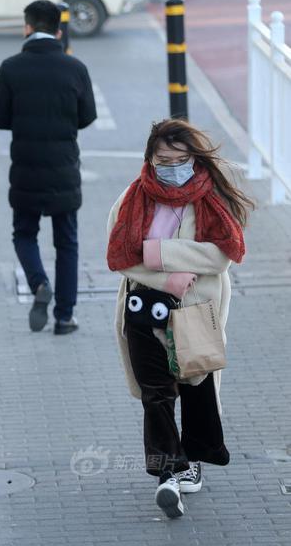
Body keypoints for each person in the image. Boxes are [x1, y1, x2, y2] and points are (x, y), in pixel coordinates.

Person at [106, 119, 252, 518]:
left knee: (195, 386)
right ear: (150, 160)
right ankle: (168, 474)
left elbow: (220, 256)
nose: (172, 168)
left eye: (180, 160)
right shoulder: (132, 198)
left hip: (194, 314)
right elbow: (120, 257)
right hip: (143, 312)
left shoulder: (212, 198)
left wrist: (156, 251)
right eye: (163, 161)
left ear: (195, 159)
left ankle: (193, 460)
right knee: (156, 395)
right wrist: (165, 275)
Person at [0, 0, 97, 334]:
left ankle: (38, 283)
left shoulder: (10, 68)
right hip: (64, 167)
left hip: (25, 168)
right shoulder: (75, 68)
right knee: (67, 242)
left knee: (24, 233)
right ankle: (65, 317)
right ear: (59, 31)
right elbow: (87, 116)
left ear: (27, 27)